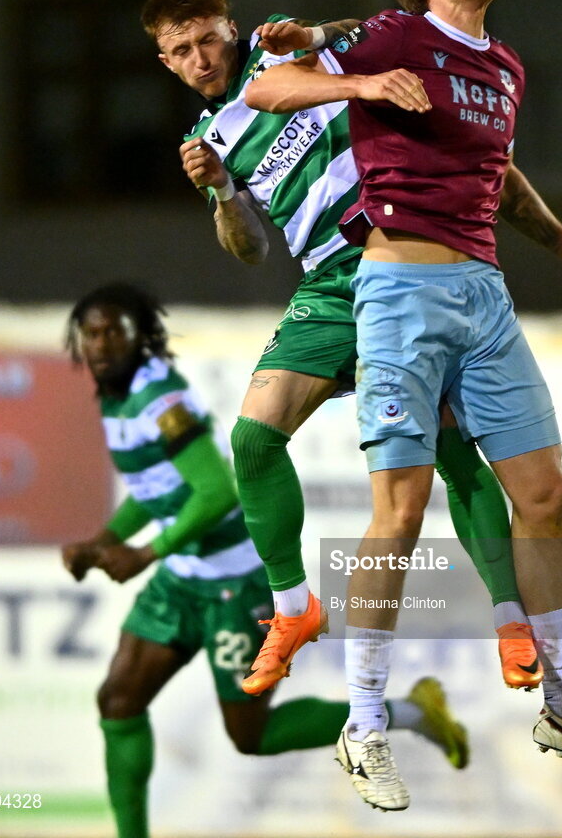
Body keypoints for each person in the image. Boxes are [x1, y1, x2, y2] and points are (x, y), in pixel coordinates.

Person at [244, 0, 562, 810]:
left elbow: (500, 177)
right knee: (402, 509)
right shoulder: (395, 35)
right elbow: (266, 90)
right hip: (397, 293)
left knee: (545, 496)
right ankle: (364, 724)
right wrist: (360, 86)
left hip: (484, 295)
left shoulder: (503, 66)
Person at [139, 0, 545, 703]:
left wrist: (329, 45)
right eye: (181, 51)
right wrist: (224, 191)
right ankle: (295, 611)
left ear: (230, 29)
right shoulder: (207, 141)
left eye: (207, 38)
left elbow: (364, 31)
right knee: (253, 440)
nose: (200, 57)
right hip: (328, 286)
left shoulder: (278, 47)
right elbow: (249, 249)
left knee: (451, 448)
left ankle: (513, 620)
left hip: (401, 259)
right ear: (166, 64)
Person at [60, 281, 470, 838]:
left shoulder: (161, 401)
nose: (102, 343)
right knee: (118, 700)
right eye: (91, 333)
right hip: (183, 581)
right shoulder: (114, 396)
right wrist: (105, 538)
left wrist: (143, 553)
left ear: (142, 339)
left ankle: (416, 713)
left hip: (233, 585)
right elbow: (158, 487)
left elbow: (217, 493)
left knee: (250, 737)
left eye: (115, 331)